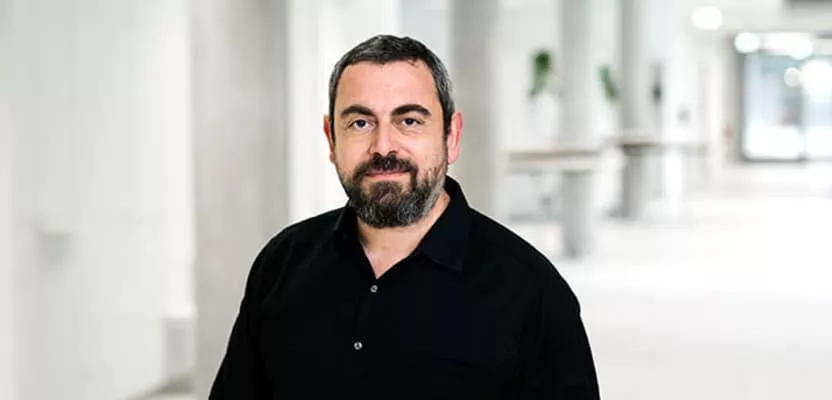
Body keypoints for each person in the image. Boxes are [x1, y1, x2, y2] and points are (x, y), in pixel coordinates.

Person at [210, 34, 600, 399]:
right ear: (331, 138)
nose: (383, 147)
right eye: (360, 123)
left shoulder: (533, 293)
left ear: (451, 136)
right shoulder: (282, 264)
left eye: (409, 121)